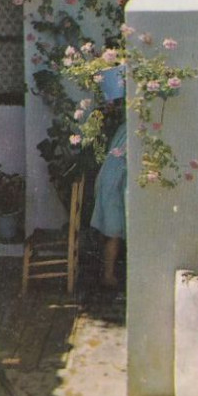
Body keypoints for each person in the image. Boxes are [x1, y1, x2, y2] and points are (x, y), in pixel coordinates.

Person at [90, 120, 127, 290]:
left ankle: (105, 271)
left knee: (110, 229)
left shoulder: (123, 126)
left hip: (109, 177)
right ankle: (108, 275)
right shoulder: (130, 128)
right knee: (114, 232)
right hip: (114, 181)